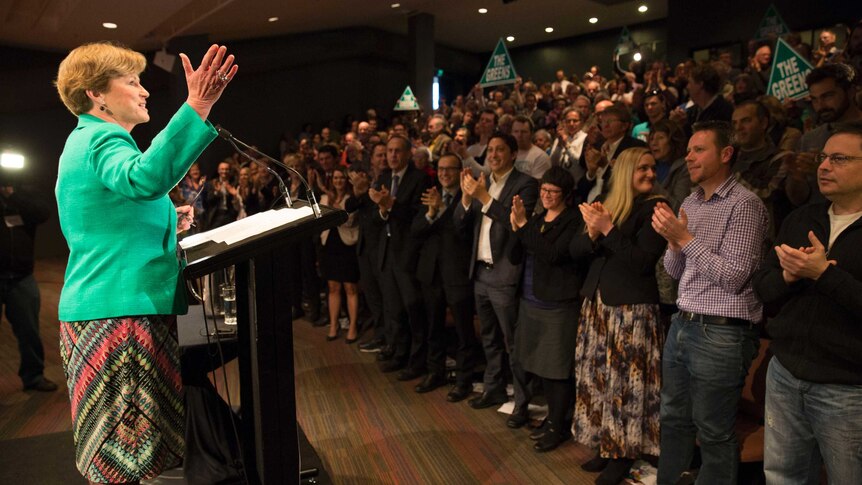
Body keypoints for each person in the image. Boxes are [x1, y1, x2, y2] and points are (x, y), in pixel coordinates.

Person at [54, 42, 237, 484]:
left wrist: (170, 220)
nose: (145, 91)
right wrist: (198, 105)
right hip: (119, 315)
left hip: (113, 309)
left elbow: (107, 220)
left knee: (126, 457)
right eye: (132, 81)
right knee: (125, 459)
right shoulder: (102, 137)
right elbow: (144, 179)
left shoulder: (85, 140)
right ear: (96, 94)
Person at [651, 121, 768, 485]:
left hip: (722, 332)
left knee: (714, 431)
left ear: (726, 154)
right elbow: (673, 270)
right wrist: (673, 243)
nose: (688, 156)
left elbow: (734, 277)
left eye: (698, 149)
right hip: (683, 323)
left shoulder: (746, 205)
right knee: (672, 419)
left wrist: (683, 238)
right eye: (687, 150)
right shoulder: (689, 201)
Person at [753, 126, 862, 484]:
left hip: (846, 386)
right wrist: (788, 277)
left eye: (839, 159)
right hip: (785, 374)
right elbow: (763, 289)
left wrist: (823, 274)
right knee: (782, 477)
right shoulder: (803, 218)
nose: (824, 166)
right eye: (822, 158)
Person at [570, 148, 667, 484]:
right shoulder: (611, 204)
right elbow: (576, 250)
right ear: (626, 171)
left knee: (624, 385)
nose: (651, 174)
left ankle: (623, 454)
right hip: (599, 305)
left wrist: (608, 229)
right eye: (643, 168)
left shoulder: (656, 208)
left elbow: (641, 262)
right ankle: (605, 443)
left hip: (631, 311)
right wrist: (595, 232)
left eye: (653, 168)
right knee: (598, 379)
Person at [453, 133, 538, 421]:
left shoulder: (525, 184)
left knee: (512, 342)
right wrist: (466, 199)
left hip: (505, 274)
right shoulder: (483, 182)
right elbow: (459, 226)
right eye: (490, 150)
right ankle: (494, 389)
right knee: (488, 338)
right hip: (480, 272)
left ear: (514, 154)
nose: (493, 155)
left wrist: (483, 197)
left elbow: (517, 225)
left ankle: (523, 401)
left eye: (500, 150)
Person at [508, 166, 582, 452]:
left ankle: (558, 425)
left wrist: (525, 227)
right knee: (540, 365)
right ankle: (553, 419)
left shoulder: (572, 219)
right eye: (544, 190)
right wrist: (517, 226)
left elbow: (554, 255)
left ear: (566, 195)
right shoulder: (537, 218)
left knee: (557, 370)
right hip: (530, 299)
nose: (547, 195)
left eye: (553, 191)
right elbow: (516, 256)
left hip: (557, 303)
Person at [410, 154, 479, 399]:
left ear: (460, 171)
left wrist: (440, 211)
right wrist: (430, 212)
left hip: (457, 274)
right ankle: (435, 372)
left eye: (450, 169)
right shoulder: (432, 194)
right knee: (433, 328)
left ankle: (464, 380)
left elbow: (462, 232)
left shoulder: (468, 197)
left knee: (463, 331)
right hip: (431, 274)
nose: (444, 173)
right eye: (440, 169)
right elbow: (416, 230)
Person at [0, 184, 56, 392]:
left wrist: (12, 194)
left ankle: (33, 377)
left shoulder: (22, 190)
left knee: (29, 331)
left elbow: (42, 213)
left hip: (22, 276)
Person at [319, 167, 360, 343]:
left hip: (347, 245)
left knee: (350, 288)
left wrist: (334, 204)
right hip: (329, 245)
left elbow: (348, 221)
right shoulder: (324, 198)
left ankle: (352, 327)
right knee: (333, 286)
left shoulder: (352, 199)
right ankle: (334, 325)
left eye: (341, 178)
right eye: (335, 178)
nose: (338, 181)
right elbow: (321, 220)